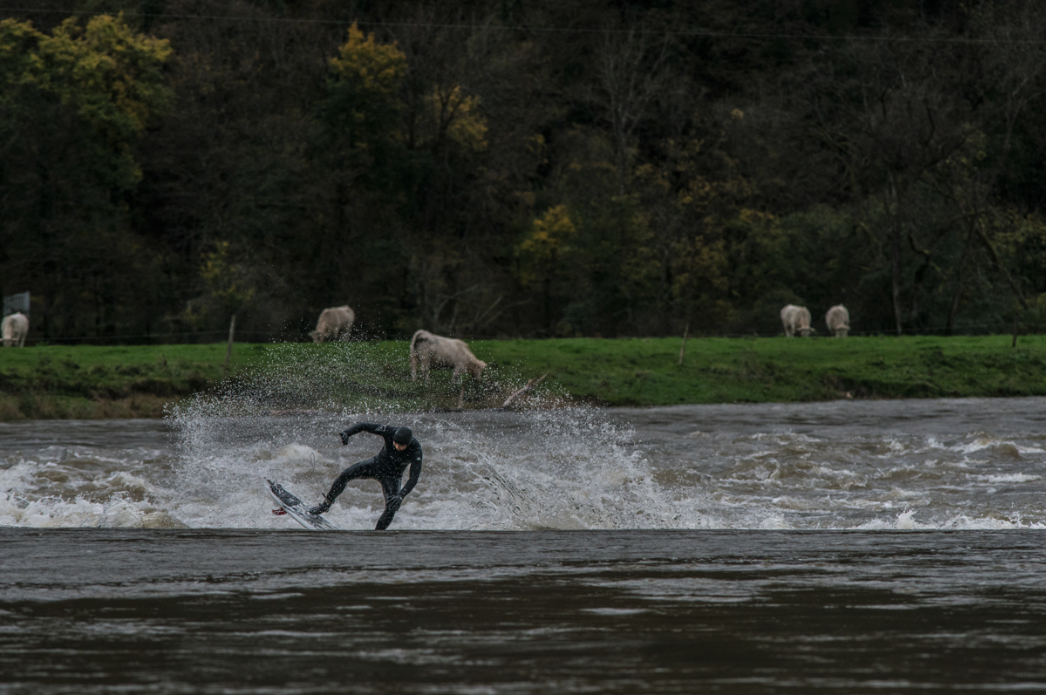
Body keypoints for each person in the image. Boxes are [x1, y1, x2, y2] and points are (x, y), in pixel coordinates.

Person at [309, 422, 422, 530]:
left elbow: (414, 478)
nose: (397, 447)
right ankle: (325, 505)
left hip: (392, 477)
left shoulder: (416, 451)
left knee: (392, 507)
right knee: (345, 475)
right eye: (395, 443)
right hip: (375, 465)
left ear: (407, 444)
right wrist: (347, 433)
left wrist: (401, 496)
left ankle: (377, 535)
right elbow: (365, 426)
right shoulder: (390, 431)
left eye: (401, 445)